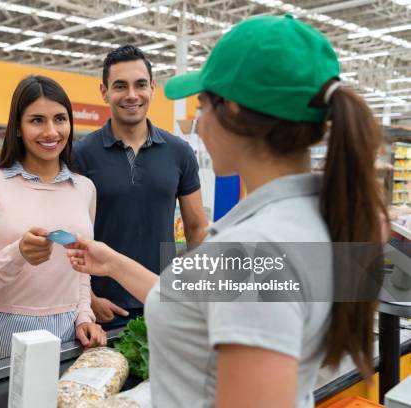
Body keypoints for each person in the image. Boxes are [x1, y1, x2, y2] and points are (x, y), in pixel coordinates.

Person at [67, 15, 386, 407]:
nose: (197, 125)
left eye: (202, 105)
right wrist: (113, 263)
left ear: (232, 110)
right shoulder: (315, 220)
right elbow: (197, 299)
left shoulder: (251, 250)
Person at [0, 75, 106, 367]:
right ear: (17, 127)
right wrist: (17, 255)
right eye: (37, 120)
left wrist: (84, 317)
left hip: (63, 341)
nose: (51, 132)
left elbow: (80, 268)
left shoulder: (84, 188)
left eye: (60, 119)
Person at [73, 45, 208, 329]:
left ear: (152, 88)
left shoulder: (179, 152)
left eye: (140, 85)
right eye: (120, 86)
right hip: (104, 308)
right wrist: (88, 299)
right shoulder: (81, 154)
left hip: (163, 297)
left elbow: (197, 228)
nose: (132, 95)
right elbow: (70, 236)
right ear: (104, 91)